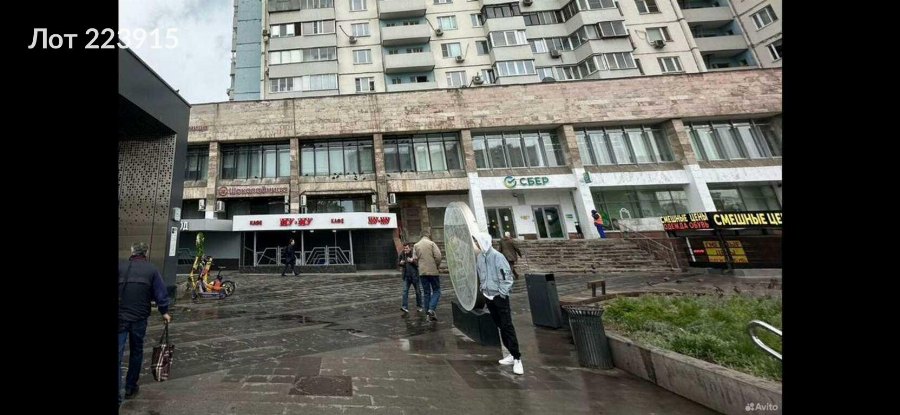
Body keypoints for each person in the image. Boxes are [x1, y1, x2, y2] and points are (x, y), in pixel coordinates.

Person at [119, 242, 172, 405]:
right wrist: (164, 312)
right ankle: (130, 387)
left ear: (132, 251)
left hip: (120, 317)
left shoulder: (120, 267)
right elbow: (161, 293)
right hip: (140, 318)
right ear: (146, 253)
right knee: (136, 351)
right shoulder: (152, 270)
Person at [473, 232, 524, 375]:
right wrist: (483, 288)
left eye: (477, 242)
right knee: (500, 325)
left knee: (507, 325)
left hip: (498, 296)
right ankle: (510, 354)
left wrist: (501, 293)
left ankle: (517, 357)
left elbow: (506, 277)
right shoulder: (480, 258)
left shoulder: (498, 257)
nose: (476, 244)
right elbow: (480, 273)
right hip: (487, 295)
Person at [413, 232, 442, 321]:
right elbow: (438, 256)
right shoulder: (432, 243)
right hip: (433, 271)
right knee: (436, 290)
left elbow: (414, 259)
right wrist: (436, 265)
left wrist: (420, 265)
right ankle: (431, 309)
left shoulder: (416, 245)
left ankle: (428, 315)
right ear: (428, 236)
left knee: (426, 292)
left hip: (422, 272)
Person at [397, 243, 422, 313]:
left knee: (418, 292)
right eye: (404, 248)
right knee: (405, 291)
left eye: (407, 248)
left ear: (410, 248)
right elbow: (398, 263)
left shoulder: (414, 253)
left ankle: (419, 306)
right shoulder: (402, 254)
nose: (405, 250)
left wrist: (412, 261)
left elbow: (418, 264)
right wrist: (400, 263)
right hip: (406, 276)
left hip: (414, 276)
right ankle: (404, 307)